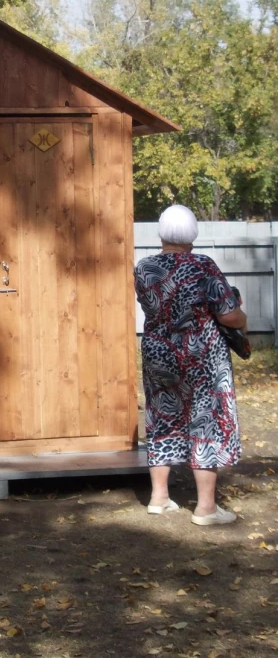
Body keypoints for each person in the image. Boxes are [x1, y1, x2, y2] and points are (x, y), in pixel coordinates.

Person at [134, 204, 247, 525]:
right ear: (193, 234)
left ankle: (159, 497)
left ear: (161, 232)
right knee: (205, 421)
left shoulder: (144, 268)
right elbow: (227, 314)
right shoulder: (203, 266)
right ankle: (206, 508)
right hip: (199, 355)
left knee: (162, 416)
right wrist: (243, 318)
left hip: (158, 353)